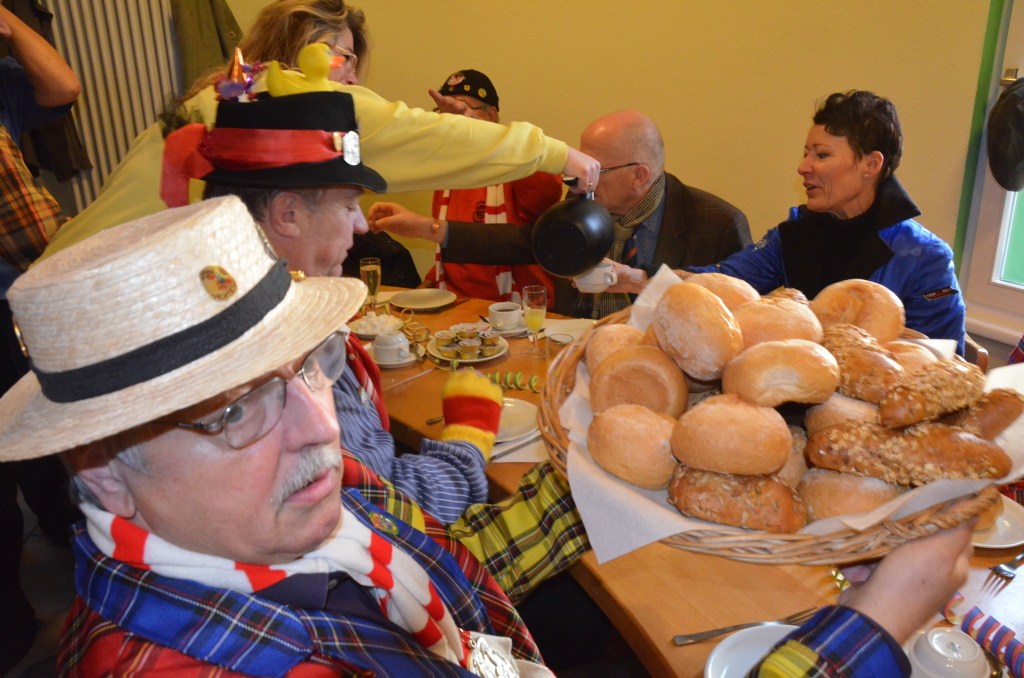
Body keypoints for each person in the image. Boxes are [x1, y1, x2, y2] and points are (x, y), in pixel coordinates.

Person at [37, 0, 599, 262]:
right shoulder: (292, 101)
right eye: (332, 53)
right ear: (285, 57)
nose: (347, 72)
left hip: (63, 278)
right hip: (93, 298)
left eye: (351, 58)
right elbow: (427, 137)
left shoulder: (218, 101)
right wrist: (557, 154)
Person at [368, 109, 752, 318]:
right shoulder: (582, 206)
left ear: (639, 176)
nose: (579, 178)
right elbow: (523, 242)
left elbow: (737, 316)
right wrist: (428, 227)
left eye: (594, 167)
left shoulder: (716, 224)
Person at [687, 91, 968, 354]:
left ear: (871, 165)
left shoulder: (927, 258)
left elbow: (938, 359)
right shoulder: (793, 234)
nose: (803, 167)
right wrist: (651, 277)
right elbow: (722, 282)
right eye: (806, 153)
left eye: (821, 155)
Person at [0, 6, 82, 672]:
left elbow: (62, 88)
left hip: (19, 294)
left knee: (38, 431)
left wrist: (6, 22)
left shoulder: (2, 81)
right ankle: (16, 639)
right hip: (12, 290)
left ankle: (63, 537)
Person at [421, 69, 562, 306]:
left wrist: (492, 139)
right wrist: (428, 283)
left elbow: (548, 187)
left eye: (462, 107)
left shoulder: (517, 164)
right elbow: (450, 245)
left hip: (521, 311)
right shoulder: (447, 171)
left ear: (489, 116)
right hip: (458, 306)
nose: (451, 118)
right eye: (443, 111)